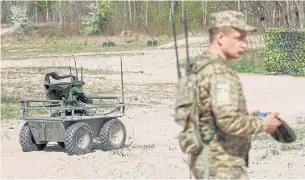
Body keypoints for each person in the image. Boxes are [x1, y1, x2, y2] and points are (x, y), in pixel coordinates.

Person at [188, 10, 283, 179]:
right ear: (221, 38)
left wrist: (243, 116)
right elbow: (228, 121)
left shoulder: (204, 66)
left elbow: (212, 114)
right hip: (222, 166)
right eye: (240, 38)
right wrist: (263, 124)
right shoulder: (219, 74)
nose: (245, 44)